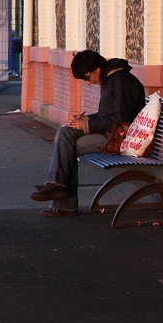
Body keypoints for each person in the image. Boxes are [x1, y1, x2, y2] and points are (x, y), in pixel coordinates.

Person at [31, 50, 146, 217]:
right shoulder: (110, 79)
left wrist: (88, 125)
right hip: (110, 133)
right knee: (66, 132)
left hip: (120, 138)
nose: (88, 83)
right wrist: (86, 119)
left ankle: (63, 199)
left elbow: (122, 120)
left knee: (69, 144)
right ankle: (58, 187)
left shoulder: (120, 81)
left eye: (87, 77)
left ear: (97, 69)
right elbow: (108, 115)